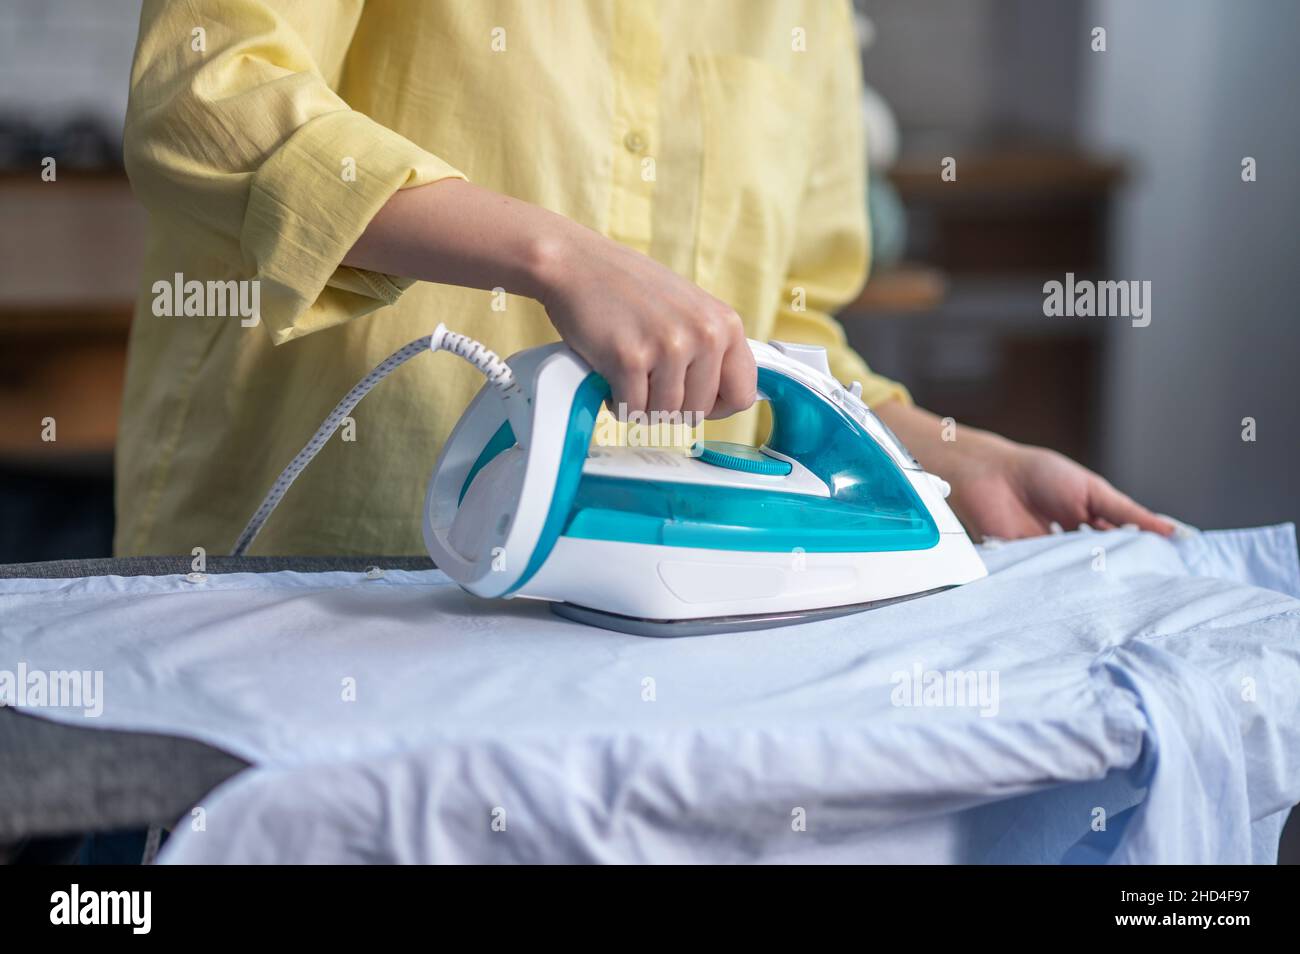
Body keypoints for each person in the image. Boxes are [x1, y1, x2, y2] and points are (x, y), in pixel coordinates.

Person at [114, 0, 1171, 558]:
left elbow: (784, 320)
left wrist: (955, 459)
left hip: (637, 621)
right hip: (314, 565)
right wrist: (556, 255)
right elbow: (205, 95)